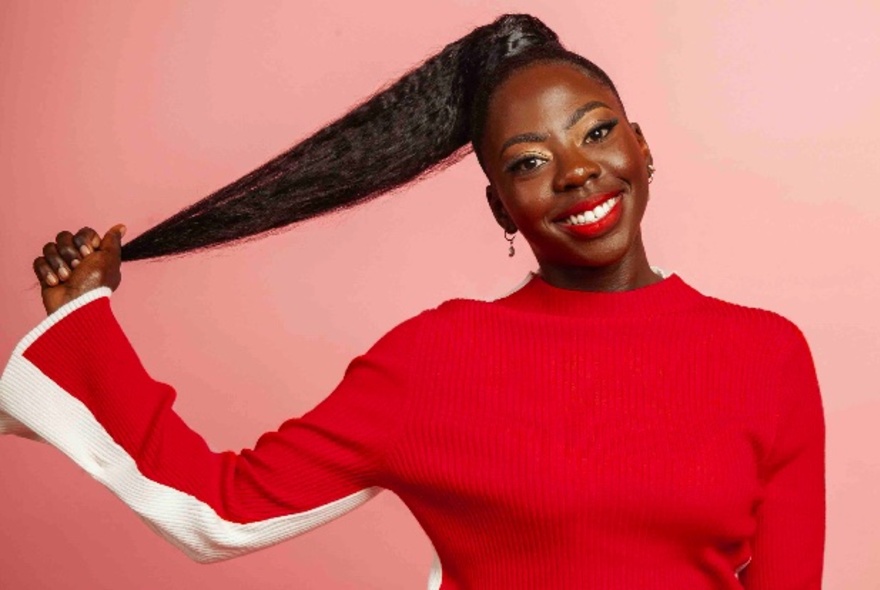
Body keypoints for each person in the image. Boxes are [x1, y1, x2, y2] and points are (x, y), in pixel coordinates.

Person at [0, 13, 825, 590]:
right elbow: (222, 507)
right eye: (530, 161)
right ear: (501, 204)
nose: (577, 171)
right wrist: (84, 327)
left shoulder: (769, 356)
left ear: (640, 145)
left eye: (597, 131)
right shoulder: (437, 360)